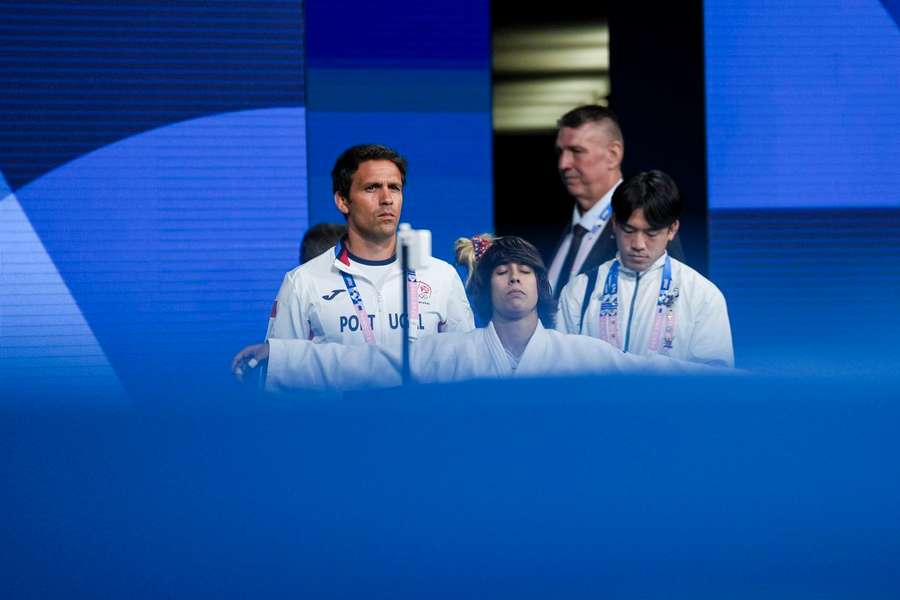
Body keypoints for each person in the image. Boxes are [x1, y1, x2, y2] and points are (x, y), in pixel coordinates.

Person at [233, 236, 728, 391]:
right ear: (485, 288)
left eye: (525, 271)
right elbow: (362, 362)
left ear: (541, 285)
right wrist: (280, 355)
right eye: (502, 272)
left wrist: (741, 380)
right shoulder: (450, 352)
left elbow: (651, 371)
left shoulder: (580, 354)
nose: (514, 278)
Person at [266, 144, 474, 349]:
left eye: (394, 188)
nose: (386, 199)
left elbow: (466, 367)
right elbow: (282, 372)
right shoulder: (302, 283)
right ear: (342, 201)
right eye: (371, 188)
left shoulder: (442, 277)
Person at [557, 170, 734, 367]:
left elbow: (717, 380)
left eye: (651, 233)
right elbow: (561, 370)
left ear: (672, 229)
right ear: (614, 224)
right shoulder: (579, 291)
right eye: (629, 230)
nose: (638, 244)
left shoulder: (702, 295)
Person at [549, 105, 684, 299]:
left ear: (613, 154)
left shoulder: (654, 221)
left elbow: (672, 306)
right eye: (560, 152)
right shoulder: (555, 226)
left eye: (576, 151)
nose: (563, 164)